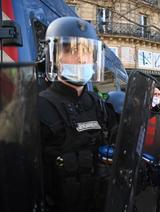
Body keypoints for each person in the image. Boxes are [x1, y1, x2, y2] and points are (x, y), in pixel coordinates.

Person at [38, 17, 118, 212]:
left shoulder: (100, 107)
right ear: (55, 57)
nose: (81, 59)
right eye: (71, 51)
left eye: (87, 52)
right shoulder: (38, 106)